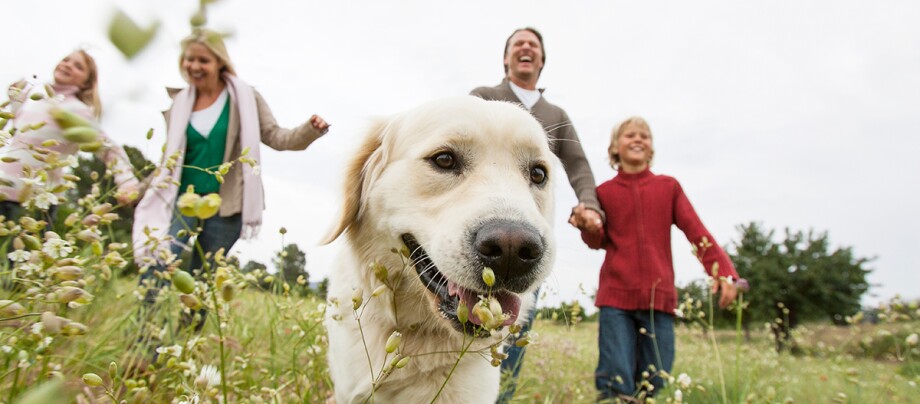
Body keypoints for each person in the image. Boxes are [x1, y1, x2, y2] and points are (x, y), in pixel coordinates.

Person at [132, 29, 331, 328]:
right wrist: (138, 189)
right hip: (180, 201)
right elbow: (168, 162)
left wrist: (310, 130)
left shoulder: (245, 98)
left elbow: (277, 137)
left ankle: (186, 347)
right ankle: (144, 343)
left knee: (201, 280)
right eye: (188, 60)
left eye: (203, 60)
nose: (194, 66)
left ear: (219, 62)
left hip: (228, 205)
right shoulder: (179, 104)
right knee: (158, 263)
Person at [469, 27, 604, 402]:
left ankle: (504, 395)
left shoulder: (554, 115)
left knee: (511, 325)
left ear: (541, 61)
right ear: (507, 59)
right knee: (464, 315)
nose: (526, 48)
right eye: (518, 44)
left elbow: (578, 165)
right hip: (477, 231)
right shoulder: (484, 97)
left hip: (528, 235)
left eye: (533, 45)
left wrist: (589, 204)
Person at [579, 116, 739, 401]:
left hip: (659, 301)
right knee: (616, 381)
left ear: (651, 148)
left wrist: (723, 273)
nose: (638, 139)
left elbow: (697, 232)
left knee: (655, 380)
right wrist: (588, 226)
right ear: (615, 147)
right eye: (630, 135)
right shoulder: (603, 193)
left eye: (644, 136)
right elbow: (597, 241)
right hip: (616, 301)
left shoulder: (669, 187)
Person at [1, 50, 140, 224]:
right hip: (3, 188)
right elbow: (19, 136)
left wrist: (127, 183)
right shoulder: (37, 98)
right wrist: (15, 100)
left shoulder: (76, 110)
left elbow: (109, 149)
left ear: (86, 83)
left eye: (78, 66)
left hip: (35, 203)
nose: (68, 65)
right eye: (66, 60)